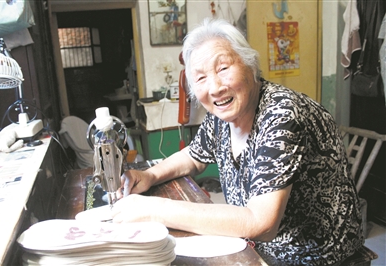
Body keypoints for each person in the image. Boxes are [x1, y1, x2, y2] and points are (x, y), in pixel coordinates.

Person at [112, 18, 364, 265]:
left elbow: (261, 223)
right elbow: (193, 156)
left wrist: (155, 210)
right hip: (261, 247)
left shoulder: (281, 114)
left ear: (250, 65)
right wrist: (150, 176)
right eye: (200, 78)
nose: (215, 87)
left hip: (315, 256)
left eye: (223, 68)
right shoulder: (222, 115)